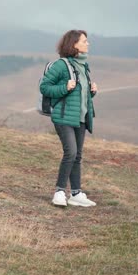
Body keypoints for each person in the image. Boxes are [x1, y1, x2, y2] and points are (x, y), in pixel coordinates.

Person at [39, 29, 98, 207]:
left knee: (77, 156)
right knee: (70, 153)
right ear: (74, 44)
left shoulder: (84, 66)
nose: (88, 43)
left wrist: (92, 92)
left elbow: (79, 96)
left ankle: (76, 194)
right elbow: (45, 87)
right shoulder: (61, 65)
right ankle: (59, 192)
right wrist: (65, 87)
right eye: (84, 41)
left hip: (80, 118)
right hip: (63, 116)